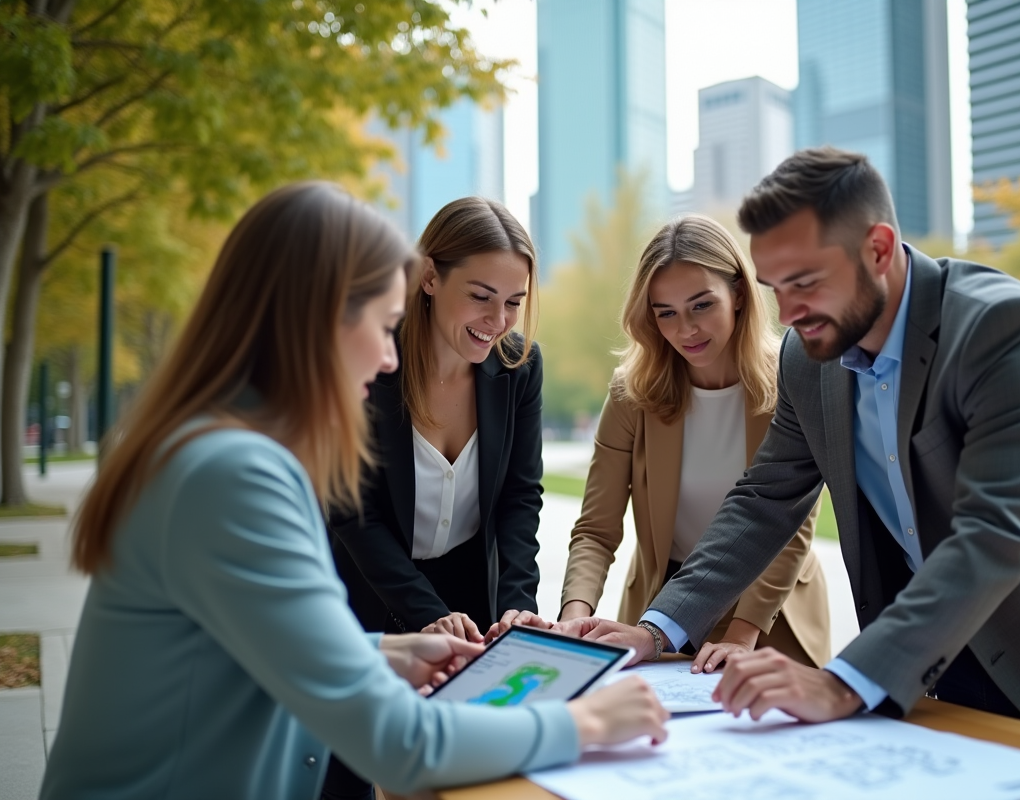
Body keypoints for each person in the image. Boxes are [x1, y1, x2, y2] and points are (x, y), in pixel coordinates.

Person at [559, 147, 1020, 760]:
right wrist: (657, 629)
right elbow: (763, 502)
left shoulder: (1004, 330)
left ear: (879, 248)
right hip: (948, 658)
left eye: (805, 282)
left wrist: (842, 682)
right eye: (774, 286)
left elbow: (995, 534)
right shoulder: (807, 359)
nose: (788, 312)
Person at [41, 182, 668, 800]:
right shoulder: (236, 478)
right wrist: (585, 722)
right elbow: (396, 744)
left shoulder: (217, 451)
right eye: (385, 323)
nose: (391, 359)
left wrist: (384, 653)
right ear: (316, 321)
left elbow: (249, 643)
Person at [323, 197, 550, 798]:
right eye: (480, 295)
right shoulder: (373, 357)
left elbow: (519, 500)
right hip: (360, 589)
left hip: (466, 598)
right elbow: (353, 511)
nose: (498, 320)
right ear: (429, 276)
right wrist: (425, 612)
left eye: (513, 301)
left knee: (462, 777)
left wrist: (516, 607)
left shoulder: (519, 367)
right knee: (341, 774)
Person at [559, 214, 831, 674]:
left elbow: (790, 526)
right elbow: (596, 529)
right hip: (659, 609)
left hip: (770, 615)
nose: (685, 329)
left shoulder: (792, 379)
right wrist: (575, 617)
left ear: (739, 293)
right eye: (666, 313)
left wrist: (742, 635)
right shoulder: (631, 394)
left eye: (701, 305)